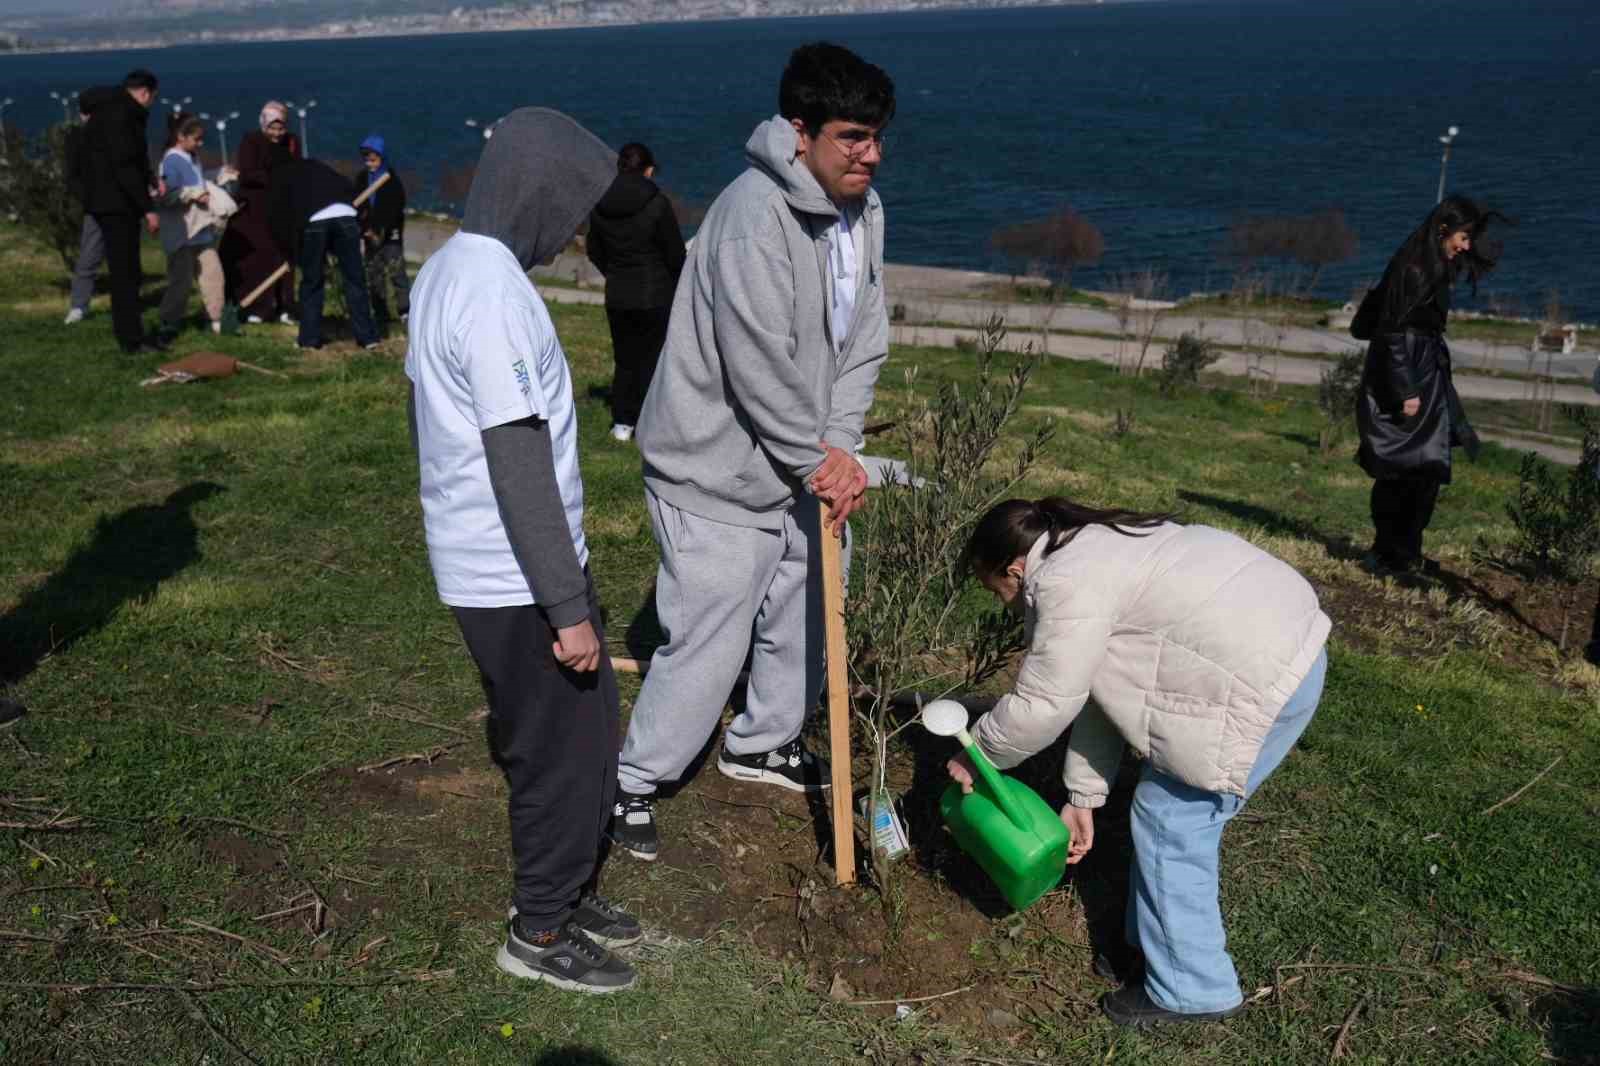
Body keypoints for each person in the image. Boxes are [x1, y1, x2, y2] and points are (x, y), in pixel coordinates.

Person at [611, 43, 894, 860]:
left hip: (803, 463)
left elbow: (863, 339)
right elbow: (758, 364)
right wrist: (821, 459)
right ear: (798, 132)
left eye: (877, 136)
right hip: (714, 467)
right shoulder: (751, 215)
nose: (870, 154)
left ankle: (761, 741)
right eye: (851, 137)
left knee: (806, 614)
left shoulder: (864, 212)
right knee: (711, 634)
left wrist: (839, 448)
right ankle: (635, 777)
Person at [405, 107, 641, 994]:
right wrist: (568, 608)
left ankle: (567, 892)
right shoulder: (496, 294)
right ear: (536, 192)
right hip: (513, 575)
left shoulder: (446, 269)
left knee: (576, 733)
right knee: (561, 753)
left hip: (490, 561)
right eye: (571, 206)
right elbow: (516, 461)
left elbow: (428, 413)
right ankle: (540, 927)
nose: (573, 229)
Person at [948, 496, 1331, 1029]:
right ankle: (1152, 950)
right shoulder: (1093, 543)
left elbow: (1046, 704)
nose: (1005, 605)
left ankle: (1193, 990)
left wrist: (980, 753)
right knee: (1166, 804)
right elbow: (1107, 688)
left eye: (998, 592)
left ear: (1014, 569)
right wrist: (1084, 795)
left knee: (1172, 820)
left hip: (1259, 677)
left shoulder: (1063, 582)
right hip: (1286, 646)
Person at [1356, 195, 1503, 575]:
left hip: (1423, 371)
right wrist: (1405, 391)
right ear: (1442, 230)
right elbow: (1391, 332)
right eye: (1463, 237)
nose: (1466, 246)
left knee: (1423, 470)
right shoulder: (1416, 269)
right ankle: (1389, 553)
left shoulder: (1428, 261)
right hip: (1407, 374)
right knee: (1403, 470)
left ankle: (1404, 551)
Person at [584, 141, 686, 441]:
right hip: (655, 293)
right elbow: (675, 255)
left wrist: (613, 272)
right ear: (649, 170)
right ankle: (650, 422)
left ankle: (622, 423)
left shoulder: (600, 204)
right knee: (653, 359)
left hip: (617, 292)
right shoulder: (657, 203)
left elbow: (594, 250)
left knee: (625, 359)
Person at [75, 68, 163, 354]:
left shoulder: (106, 109)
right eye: (152, 98)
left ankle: (128, 333)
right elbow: (125, 166)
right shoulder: (124, 116)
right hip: (118, 204)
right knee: (126, 272)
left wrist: (150, 177)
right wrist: (147, 208)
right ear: (145, 93)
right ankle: (131, 340)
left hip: (100, 200)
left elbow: (131, 159)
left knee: (122, 270)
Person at [266, 158, 379, 351]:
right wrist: (365, 226)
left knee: (312, 282)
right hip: (347, 215)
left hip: (315, 220)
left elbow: (281, 220)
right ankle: (368, 338)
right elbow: (354, 193)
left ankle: (309, 340)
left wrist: (291, 253)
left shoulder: (283, 179)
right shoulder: (323, 170)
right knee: (354, 279)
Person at [222, 101, 301, 324]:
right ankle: (256, 306)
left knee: (282, 258)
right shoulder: (251, 141)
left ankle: (284, 305)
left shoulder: (292, 142)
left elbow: (296, 169)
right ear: (264, 124)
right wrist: (275, 178)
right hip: (253, 210)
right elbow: (247, 173)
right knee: (254, 259)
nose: (276, 133)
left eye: (280, 128)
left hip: (281, 209)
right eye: (272, 128)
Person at [155, 115, 227, 338]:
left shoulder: (191, 156)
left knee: (213, 275)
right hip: (182, 232)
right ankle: (169, 321)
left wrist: (218, 175)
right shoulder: (171, 161)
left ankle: (216, 319)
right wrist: (193, 195)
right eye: (197, 139)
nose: (200, 143)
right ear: (181, 137)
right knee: (181, 281)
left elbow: (197, 181)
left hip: (201, 229)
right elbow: (165, 196)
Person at [354, 133, 410, 330]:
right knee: (374, 275)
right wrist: (366, 230)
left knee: (397, 272)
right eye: (367, 160)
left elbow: (395, 208)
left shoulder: (391, 181)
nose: (370, 164)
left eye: (374, 159)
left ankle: (405, 311)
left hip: (390, 235)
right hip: (369, 235)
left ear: (382, 157)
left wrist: (381, 230)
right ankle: (380, 312)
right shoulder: (362, 179)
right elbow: (357, 206)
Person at [63, 111, 105, 326]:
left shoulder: (114, 135)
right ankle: (79, 306)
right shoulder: (76, 137)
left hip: (121, 204)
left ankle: (128, 301)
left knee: (125, 257)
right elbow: (71, 175)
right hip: (96, 205)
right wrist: (89, 199)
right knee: (89, 255)